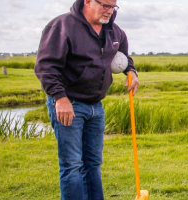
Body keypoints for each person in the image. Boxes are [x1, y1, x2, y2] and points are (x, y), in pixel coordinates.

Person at [34, 0, 139, 199]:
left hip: (95, 107)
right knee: (72, 165)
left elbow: (124, 57)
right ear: (88, 1)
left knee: (93, 163)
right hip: (68, 104)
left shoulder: (115, 32)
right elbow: (46, 67)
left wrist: (131, 71)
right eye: (105, 5)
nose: (109, 11)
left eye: (113, 7)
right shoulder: (62, 26)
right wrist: (60, 98)